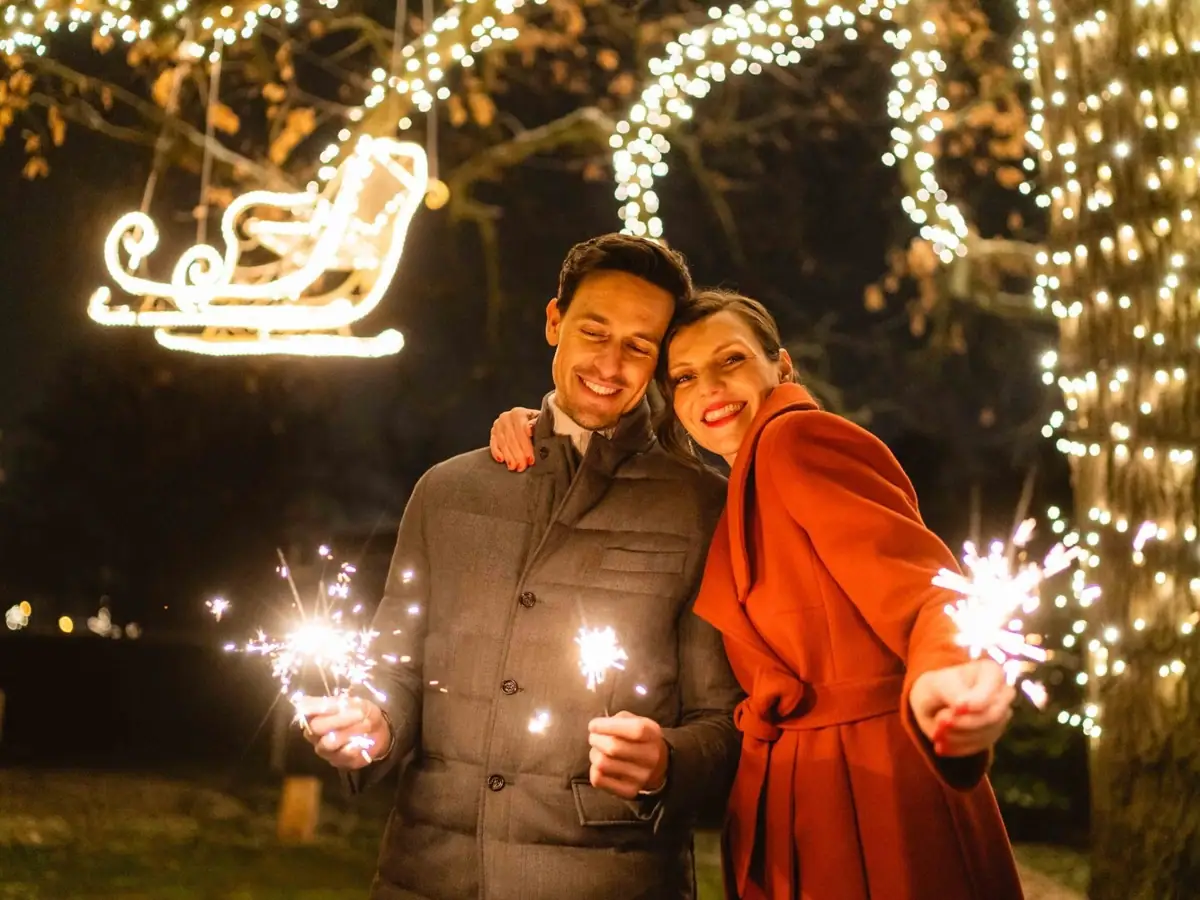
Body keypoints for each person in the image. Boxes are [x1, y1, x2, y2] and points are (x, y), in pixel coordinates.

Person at [489, 289, 1025, 899]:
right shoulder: (739, 484)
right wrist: (545, 424)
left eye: (732, 360)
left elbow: (929, 589)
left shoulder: (797, 442)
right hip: (807, 794)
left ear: (783, 367)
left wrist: (944, 674)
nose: (709, 388)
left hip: (870, 792)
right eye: (684, 376)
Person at [301, 236, 744, 900]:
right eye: (594, 332)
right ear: (553, 322)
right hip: (428, 875)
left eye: (638, 346)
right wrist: (370, 724)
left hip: (609, 879)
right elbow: (395, 672)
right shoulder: (447, 493)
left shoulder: (701, 509)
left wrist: (665, 762)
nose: (610, 363)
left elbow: (722, 720)